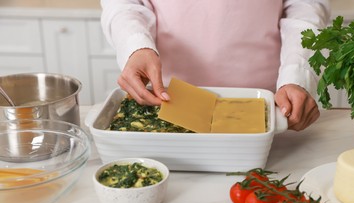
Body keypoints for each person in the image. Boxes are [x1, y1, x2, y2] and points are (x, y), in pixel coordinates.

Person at [101, 0, 330, 131]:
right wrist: (136, 46)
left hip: (269, 102)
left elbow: (305, 9)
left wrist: (297, 75)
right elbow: (124, 4)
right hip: (167, 102)